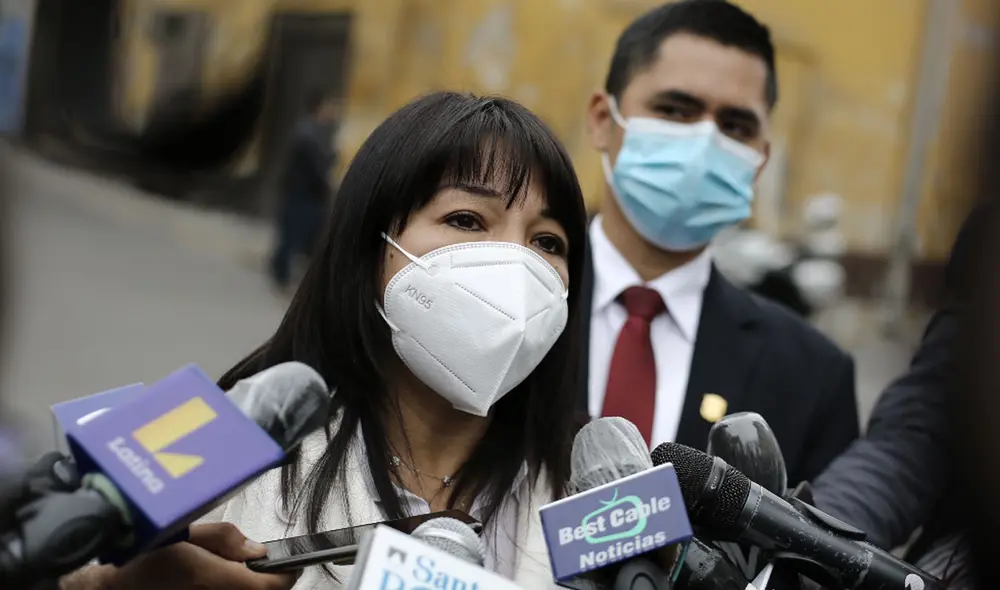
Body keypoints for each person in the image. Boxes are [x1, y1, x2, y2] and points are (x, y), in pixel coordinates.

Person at [194, 91, 589, 589]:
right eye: (466, 219)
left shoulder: (591, 501)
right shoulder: (227, 445)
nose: (517, 266)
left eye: (547, 242)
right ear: (371, 244)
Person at [580, 0, 858, 486]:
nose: (703, 143)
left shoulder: (811, 375)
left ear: (760, 159)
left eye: (735, 126)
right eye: (674, 109)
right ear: (604, 120)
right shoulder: (507, 303)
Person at [270, 89, 340, 291]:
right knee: (292, 234)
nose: (332, 111)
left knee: (303, 235)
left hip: (308, 193)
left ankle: (286, 273)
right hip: (302, 193)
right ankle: (281, 275)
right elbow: (316, 165)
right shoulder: (307, 132)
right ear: (320, 107)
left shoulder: (316, 130)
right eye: (329, 106)